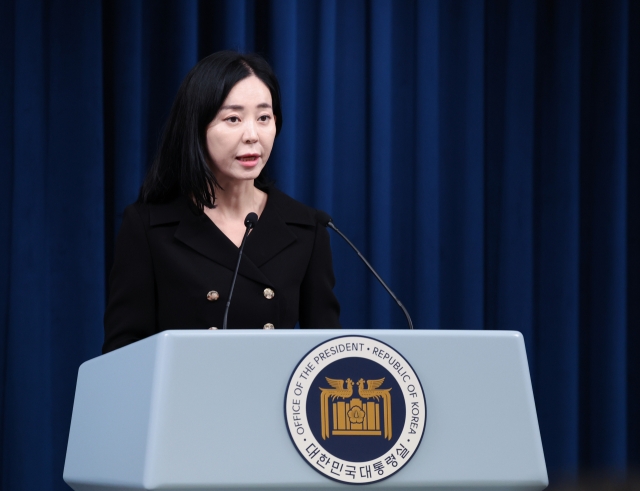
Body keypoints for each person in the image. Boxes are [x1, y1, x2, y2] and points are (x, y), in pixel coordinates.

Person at [102, 51, 341, 354]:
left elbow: (327, 356)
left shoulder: (307, 227)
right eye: (233, 119)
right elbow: (124, 353)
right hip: (187, 400)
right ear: (197, 127)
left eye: (264, 117)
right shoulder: (149, 227)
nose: (252, 135)